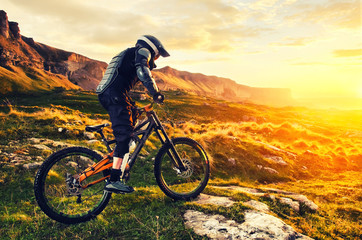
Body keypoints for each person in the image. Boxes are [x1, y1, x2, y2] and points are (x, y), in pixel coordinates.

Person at [96, 35, 170, 193]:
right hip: (114, 95)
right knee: (124, 135)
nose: (156, 59)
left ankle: (123, 155)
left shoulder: (129, 53)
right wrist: (155, 93)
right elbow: (143, 71)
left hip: (111, 94)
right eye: (157, 55)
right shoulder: (143, 51)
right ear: (153, 48)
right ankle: (114, 179)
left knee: (133, 112)